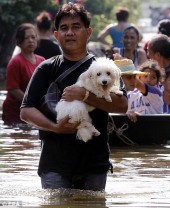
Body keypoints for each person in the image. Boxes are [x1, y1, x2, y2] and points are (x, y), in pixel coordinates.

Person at [20, 3, 128, 191]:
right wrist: (55, 127)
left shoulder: (104, 68)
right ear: (56, 35)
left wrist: (85, 95)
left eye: (76, 27)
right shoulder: (46, 68)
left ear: (88, 32)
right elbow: (26, 111)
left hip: (94, 164)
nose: (69, 32)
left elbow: (122, 105)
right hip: (54, 165)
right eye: (64, 28)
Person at [2, 23, 45, 125]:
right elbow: (13, 89)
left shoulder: (42, 61)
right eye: (26, 38)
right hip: (15, 113)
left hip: (34, 111)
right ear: (20, 42)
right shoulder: (15, 62)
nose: (30, 40)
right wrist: (31, 103)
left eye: (33, 37)